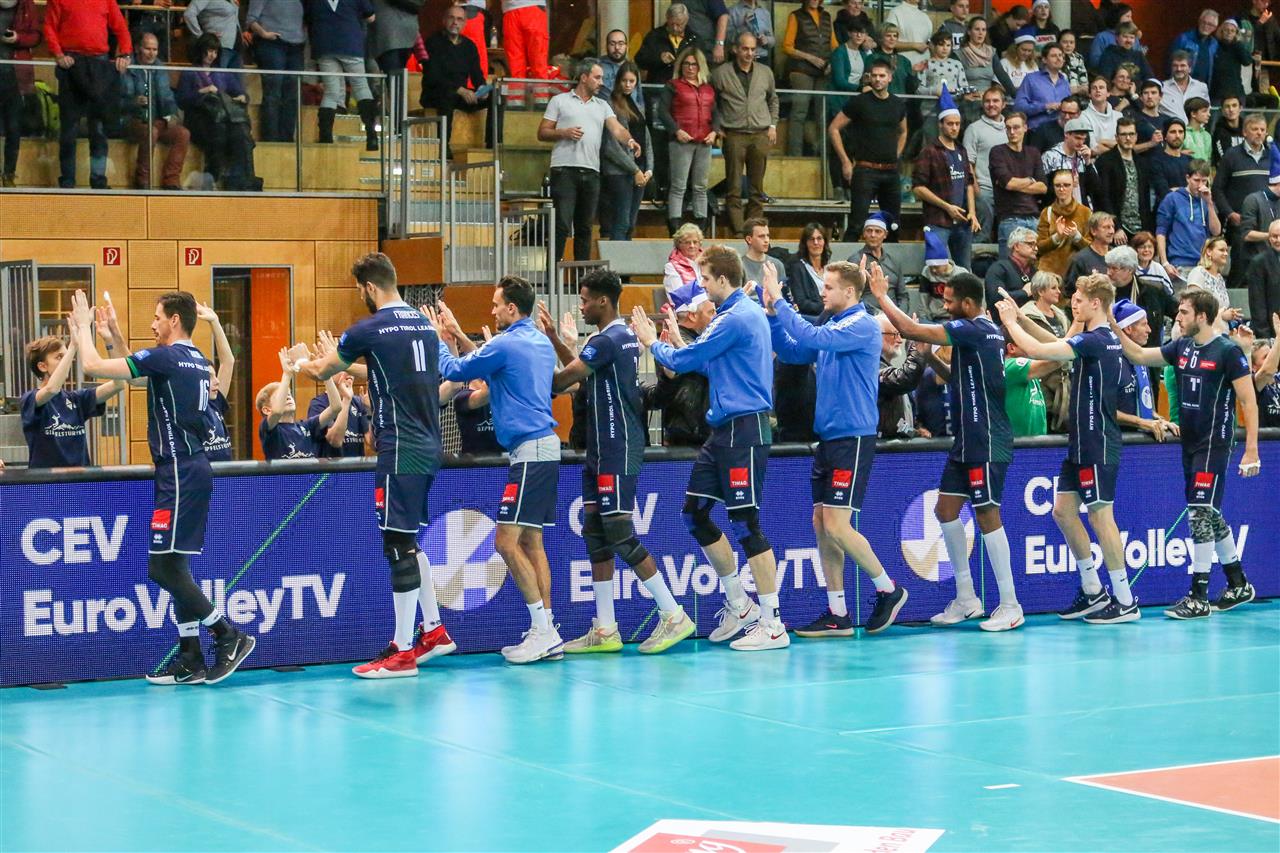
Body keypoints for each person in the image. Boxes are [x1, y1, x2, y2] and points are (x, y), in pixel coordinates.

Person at [71, 289, 254, 685]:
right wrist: (112, 335)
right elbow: (136, 370)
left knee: (160, 568)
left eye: (157, 317)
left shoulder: (167, 358)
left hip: (180, 472)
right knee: (175, 565)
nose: (153, 324)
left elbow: (92, 365)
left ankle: (228, 634)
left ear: (174, 320)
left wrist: (83, 328)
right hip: (187, 470)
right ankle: (190, 656)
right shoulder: (194, 359)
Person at [295, 254, 456, 678]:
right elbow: (388, 368)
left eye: (358, 290)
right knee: (410, 540)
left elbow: (322, 370)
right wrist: (343, 361)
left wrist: (299, 363)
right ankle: (434, 631)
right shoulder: (423, 326)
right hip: (428, 445)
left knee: (397, 545)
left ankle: (401, 651)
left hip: (399, 447)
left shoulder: (368, 328)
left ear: (369, 287)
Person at [630, 245, 789, 651]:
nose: (701, 285)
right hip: (722, 433)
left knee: (746, 525)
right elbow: (706, 362)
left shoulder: (736, 317)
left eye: (704, 278)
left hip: (744, 430)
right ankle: (740, 606)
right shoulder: (733, 315)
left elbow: (689, 360)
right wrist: (676, 340)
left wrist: (652, 343)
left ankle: (773, 624)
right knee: (695, 514)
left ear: (722, 278)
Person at [539, 272, 695, 654]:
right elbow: (583, 376)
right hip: (599, 450)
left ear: (604, 301)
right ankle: (606, 629)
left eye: (585, 300)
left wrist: (528, 357)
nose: (581, 306)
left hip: (617, 449)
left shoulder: (607, 340)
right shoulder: (616, 337)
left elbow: (562, 382)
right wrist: (555, 339)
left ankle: (673, 614)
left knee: (619, 534)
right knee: (595, 533)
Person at [869, 269, 1023, 631]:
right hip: (966, 441)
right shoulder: (980, 334)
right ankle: (967, 598)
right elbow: (957, 378)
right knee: (945, 509)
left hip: (987, 439)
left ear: (968, 304)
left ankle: (1010, 604)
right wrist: (930, 357)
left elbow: (910, 328)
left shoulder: (975, 328)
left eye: (950, 301)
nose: (945, 306)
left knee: (987, 515)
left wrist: (882, 296)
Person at [761, 259, 908, 635]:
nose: (822, 293)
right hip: (829, 438)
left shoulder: (861, 325)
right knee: (822, 524)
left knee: (837, 526)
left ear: (849, 291)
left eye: (828, 287)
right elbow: (794, 352)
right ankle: (837, 612)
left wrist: (780, 300)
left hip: (852, 437)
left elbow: (812, 338)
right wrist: (773, 316)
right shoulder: (833, 326)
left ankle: (888, 589)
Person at [429, 278, 560, 663]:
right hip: (543, 449)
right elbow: (499, 365)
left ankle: (543, 631)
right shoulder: (538, 340)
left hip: (530, 452)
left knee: (505, 543)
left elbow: (454, 368)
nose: (492, 310)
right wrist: (459, 335)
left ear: (512, 308)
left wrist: (439, 339)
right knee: (532, 542)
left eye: (496, 304)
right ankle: (547, 630)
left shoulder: (505, 344)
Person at [996, 274, 1139, 623]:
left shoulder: (1096, 340)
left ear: (1096, 303)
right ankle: (1093, 590)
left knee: (1101, 516)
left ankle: (1125, 600)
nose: (1073, 302)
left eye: (1079, 298)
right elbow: (1057, 341)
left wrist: (1010, 324)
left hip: (1097, 441)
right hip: (1080, 443)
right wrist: (1022, 316)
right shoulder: (1095, 339)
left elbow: (1041, 351)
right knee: (1062, 511)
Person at [1112, 288, 1261, 617]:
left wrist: (1252, 450)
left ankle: (1199, 596)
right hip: (1190, 443)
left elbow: (1248, 401)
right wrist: (1110, 321)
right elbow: (1138, 354)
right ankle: (1238, 583)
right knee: (1208, 511)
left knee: (1198, 512)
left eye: (1183, 312)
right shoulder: (1181, 346)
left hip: (1214, 442)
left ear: (1202, 316)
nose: (1177, 317)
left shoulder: (1228, 352)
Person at [539, 59, 641, 263]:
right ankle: (552, 272)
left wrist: (630, 140)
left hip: (592, 171)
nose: (601, 82)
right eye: (597, 77)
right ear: (584, 78)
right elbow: (542, 132)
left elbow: (617, 129)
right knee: (562, 224)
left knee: (585, 227)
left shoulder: (602, 105)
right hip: (564, 170)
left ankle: (582, 275)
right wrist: (563, 132)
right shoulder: (560, 101)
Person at [44, 0, 131, 189]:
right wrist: (58, 54)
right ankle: (68, 181)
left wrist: (125, 53)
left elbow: (121, 26)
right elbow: (49, 27)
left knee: (98, 127)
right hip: (71, 62)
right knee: (69, 128)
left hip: (99, 63)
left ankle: (98, 181)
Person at [21, 323, 125, 468]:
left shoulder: (77, 399)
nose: (67, 361)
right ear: (42, 366)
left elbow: (118, 384)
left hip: (79, 479)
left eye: (67, 356)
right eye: (59, 357)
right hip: (46, 481)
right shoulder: (30, 399)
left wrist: (109, 342)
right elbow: (51, 389)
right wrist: (72, 347)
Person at [829, 59, 907, 242]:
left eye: (882, 76)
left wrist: (896, 154)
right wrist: (845, 161)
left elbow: (904, 131)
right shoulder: (859, 102)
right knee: (857, 224)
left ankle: (889, 261)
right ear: (869, 78)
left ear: (890, 78)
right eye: (874, 76)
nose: (878, 79)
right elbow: (833, 128)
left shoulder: (898, 104)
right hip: (865, 170)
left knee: (893, 225)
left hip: (890, 171)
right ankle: (847, 260)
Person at [710, 33, 779, 236]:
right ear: (735, 49)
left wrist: (773, 125)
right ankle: (739, 230)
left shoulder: (765, 72)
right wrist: (716, 126)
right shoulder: (720, 73)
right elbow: (710, 102)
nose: (749, 53)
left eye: (752, 49)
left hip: (760, 133)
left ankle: (755, 231)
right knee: (734, 187)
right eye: (745, 49)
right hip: (734, 134)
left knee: (757, 188)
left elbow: (773, 99)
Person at [176, 35, 259, 192]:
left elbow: (242, 93)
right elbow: (182, 100)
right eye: (208, 51)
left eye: (214, 52)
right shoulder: (190, 72)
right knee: (218, 132)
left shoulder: (222, 73)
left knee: (241, 133)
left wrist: (242, 97)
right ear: (200, 51)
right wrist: (202, 91)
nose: (211, 55)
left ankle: (242, 179)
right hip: (198, 118)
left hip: (221, 118)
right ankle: (212, 177)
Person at [912, 86, 979, 270]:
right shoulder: (929, 152)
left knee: (964, 270)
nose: (954, 127)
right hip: (938, 220)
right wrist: (947, 207)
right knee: (936, 269)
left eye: (957, 124)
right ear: (940, 124)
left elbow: (969, 183)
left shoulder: (962, 150)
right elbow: (918, 188)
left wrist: (972, 212)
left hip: (963, 221)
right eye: (950, 124)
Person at [120, 32, 190, 191]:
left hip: (156, 120)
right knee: (151, 132)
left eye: (155, 49)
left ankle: (171, 180)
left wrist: (171, 115)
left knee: (183, 133)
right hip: (132, 119)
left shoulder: (160, 67)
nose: (152, 53)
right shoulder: (127, 66)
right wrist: (134, 102)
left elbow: (167, 96)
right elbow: (116, 102)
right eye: (148, 49)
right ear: (138, 48)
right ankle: (142, 180)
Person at [305, 0, 378, 150]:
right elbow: (371, 17)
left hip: (324, 44)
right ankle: (371, 135)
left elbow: (307, 17)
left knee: (331, 92)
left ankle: (325, 137)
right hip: (350, 43)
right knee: (361, 86)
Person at [646, 285, 714, 447]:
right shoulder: (673, 344)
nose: (716, 317)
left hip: (695, 433)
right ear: (692, 315)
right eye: (711, 312)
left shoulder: (699, 340)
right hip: (688, 437)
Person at [660, 46, 716, 235]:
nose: (690, 68)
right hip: (681, 141)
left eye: (694, 64)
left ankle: (701, 228)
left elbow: (716, 113)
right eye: (686, 64)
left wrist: (714, 132)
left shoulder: (708, 88)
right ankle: (674, 228)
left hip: (704, 141)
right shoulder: (673, 85)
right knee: (679, 186)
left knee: (701, 186)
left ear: (700, 66)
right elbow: (662, 112)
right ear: (680, 65)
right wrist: (676, 131)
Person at [420, 4, 491, 153]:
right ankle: (443, 149)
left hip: (461, 95)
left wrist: (482, 88)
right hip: (435, 93)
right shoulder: (432, 42)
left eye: (459, 19)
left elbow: (477, 75)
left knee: (496, 98)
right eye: (451, 18)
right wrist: (459, 90)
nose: (455, 22)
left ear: (465, 23)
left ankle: (492, 145)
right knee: (448, 95)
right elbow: (433, 75)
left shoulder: (469, 46)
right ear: (444, 20)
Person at [1214, 114, 1273, 281]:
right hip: (1241, 224)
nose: (1259, 133)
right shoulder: (1232, 155)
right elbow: (1217, 189)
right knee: (1239, 272)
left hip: (1268, 225)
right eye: (1255, 129)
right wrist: (1229, 213)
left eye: (1262, 130)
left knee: (1268, 273)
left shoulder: (1273, 157)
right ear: (1244, 132)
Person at [1111, 298, 1179, 441]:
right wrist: (1141, 422)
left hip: (1137, 442)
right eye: (1144, 324)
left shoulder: (1140, 361)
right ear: (1128, 329)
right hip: (1114, 441)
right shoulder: (1110, 361)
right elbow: (1100, 409)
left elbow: (1142, 406)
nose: (1149, 330)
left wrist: (1159, 420)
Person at [258, 352, 345, 460]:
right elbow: (276, 412)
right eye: (283, 395)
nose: (288, 397)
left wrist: (326, 375)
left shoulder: (307, 426)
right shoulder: (270, 430)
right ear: (267, 410)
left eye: (289, 394)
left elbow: (336, 407)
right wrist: (287, 375)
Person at [600, 63, 653, 241]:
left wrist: (649, 168)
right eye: (624, 81)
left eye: (632, 81)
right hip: (619, 171)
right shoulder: (611, 104)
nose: (628, 85)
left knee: (630, 223)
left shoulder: (637, 104)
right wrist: (634, 169)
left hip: (640, 168)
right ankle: (615, 259)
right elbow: (610, 145)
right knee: (621, 221)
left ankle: (624, 259)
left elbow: (646, 137)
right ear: (618, 81)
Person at [782, 0, 835, 158]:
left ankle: (824, 154)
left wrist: (832, 63)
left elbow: (834, 45)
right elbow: (787, 47)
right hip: (801, 69)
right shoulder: (795, 16)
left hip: (823, 70)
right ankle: (795, 156)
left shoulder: (826, 16)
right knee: (799, 112)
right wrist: (810, 58)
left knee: (822, 113)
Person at [990, 110, 1047, 256]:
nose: (1012, 132)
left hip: (1034, 217)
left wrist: (1014, 185)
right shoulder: (998, 152)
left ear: (1025, 128)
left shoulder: (1033, 153)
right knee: (1010, 264)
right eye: (1008, 128)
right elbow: (1009, 183)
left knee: (1035, 263)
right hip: (1010, 218)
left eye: (1016, 127)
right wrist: (1030, 180)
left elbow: (1043, 187)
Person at [247, 0, 305, 143]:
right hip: (272, 43)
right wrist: (264, 34)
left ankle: (287, 139)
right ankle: (271, 139)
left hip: (296, 45)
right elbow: (251, 19)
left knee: (292, 93)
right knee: (273, 91)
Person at [1156, 159, 1220, 279]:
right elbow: (1161, 232)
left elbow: (1216, 231)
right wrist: (1164, 263)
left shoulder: (1206, 201)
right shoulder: (1172, 198)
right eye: (1196, 180)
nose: (1200, 185)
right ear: (1187, 178)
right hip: (1179, 263)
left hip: (1203, 263)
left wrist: (1209, 203)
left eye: (1204, 181)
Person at [1107, 243, 1177, 349]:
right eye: (1108, 267)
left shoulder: (1153, 292)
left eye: (1114, 268)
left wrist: (1172, 346)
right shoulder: (1103, 293)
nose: (1109, 272)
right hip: (1113, 352)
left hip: (1148, 353)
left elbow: (1178, 313)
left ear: (1129, 269)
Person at [1095, 117, 1153, 242]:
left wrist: (1147, 229)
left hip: (1140, 227)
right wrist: (1116, 227)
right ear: (1116, 137)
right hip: (1117, 229)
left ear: (1136, 137)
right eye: (1123, 134)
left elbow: (1145, 198)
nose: (1128, 138)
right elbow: (1103, 197)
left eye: (1131, 134)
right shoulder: (1105, 161)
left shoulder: (1142, 163)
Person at [0, 0, 38, 188]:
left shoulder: (27, 5)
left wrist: (17, 38)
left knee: (13, 126)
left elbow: (36, 36)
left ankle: (9, 174)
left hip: (15, 74)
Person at [963, 87, 1008, 242]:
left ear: (1004, 104)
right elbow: (968, 163)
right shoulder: (974, 129)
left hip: (1007, 191)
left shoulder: (1011, 129)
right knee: (981, 237)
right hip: (984, 190)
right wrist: (977, 191)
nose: (991, 104)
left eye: (995, 101)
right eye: (987, 101)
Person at [876, 314, 926, 437]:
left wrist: (915, 431)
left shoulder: (887, 369)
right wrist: (915, 343)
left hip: (894, 444)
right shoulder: (870, 368)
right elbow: (905, 379)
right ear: (876, 335)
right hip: (880, 446)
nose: (899, 340)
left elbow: (897, 422)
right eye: (894, 334)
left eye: (900, 334)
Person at [196, 302, 235, 461]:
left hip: (225, 473)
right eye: (209, 377)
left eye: (215, 376)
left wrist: (214, 322)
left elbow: (228, 361)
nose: (217, 381)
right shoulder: (187, 408)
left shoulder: (215, 403)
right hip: (202, 473)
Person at [1037, 168, 1091, 277]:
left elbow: (1092, 248)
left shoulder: (1085, 212)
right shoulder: (1047, 212)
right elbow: (1039, 247)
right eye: (1058, 185)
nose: (1062, 189)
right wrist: (1057, 236)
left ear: (1074, 184)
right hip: (1049, 272)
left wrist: (1077, 237)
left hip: (1075, 272)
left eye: (1066, 185)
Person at [1002, 331, 1056, 437]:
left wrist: (1078, 324)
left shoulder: (1027, 370)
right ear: (1011, 348)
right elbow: (1057, 360)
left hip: (1036, 443)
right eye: (1025, 342)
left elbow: (1063, 347)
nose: (1031, 344)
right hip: (1018, 444)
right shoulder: (1010, 366)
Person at [851, 212, 906, 312]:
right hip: (868, 316)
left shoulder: (894, 262)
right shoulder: (855, 261)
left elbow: (903, 296)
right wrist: (877, 314)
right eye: (869, 231)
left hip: (895, 316)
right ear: (864, 233)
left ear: (885, 235)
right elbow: (852, 296)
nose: (873, 235)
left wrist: (900, 315)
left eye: (878, 231)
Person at [1040, 116, 1100, 208]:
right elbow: (1043, 188)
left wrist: (1088, 162)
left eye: (1083, 139)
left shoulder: (1083, 156)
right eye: (1077, 138)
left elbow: (1095, 187)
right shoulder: (1050, 156)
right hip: (1057, 209)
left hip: (1080, 208)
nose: (1081, 143)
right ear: (1066, 135)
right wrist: (1067, 184)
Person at [501, 0, 551, 107]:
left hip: (521, 9)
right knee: (532, 59)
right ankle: (536, 100)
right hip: (519, 9)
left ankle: (536, 100)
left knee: (535, 59)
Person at [1014, 42, 1071, 134]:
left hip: (1061, 132)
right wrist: (1045, 106)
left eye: (1060, 55)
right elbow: (1018, 107)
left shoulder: (1065, 82)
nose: (1059, 58)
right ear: (1044, 60)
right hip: (1036, 131)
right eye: (1053, 56)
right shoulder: (1031, 79)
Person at [637, 4, 699, 88]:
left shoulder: (694, 39)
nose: (675, 28)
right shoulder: (654, 36)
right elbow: (640, 60)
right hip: (660, 86)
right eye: (672, 24)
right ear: (667, 18)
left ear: (686, 20)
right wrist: (659, 58)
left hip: (687, 87)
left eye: (679, 25)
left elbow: (702, 64)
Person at [308, 374, 370, 457]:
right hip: (331, 464)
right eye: (343, 368)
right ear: (330, 373)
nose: (349, 372)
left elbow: (372, 442)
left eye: (351, 369)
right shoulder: (318, 404)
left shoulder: (358, 402)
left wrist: (371, 410)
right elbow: (335, 441)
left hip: (356, 464)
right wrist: (346, 399)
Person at [1063, 211, 1115, 296]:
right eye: (1106, 227)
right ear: (1093, 231)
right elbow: (1069, 292)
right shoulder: (1080, 259)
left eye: (1113, 227)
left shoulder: (1117, 256)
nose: (1112, 231)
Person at [984, 225, 1039, 307]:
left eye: (1036, 244)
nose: (1036, 248)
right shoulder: (998, 268)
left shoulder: (1035, 271)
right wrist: (1024, 293)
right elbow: (996, 298)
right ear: (1016, 246)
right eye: (1030, 244)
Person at [784, 222, 829, 317]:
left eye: (819, 238)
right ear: (805, 243)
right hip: (812, 317)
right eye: (811, 239)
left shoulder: (829, 268)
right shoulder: (797, 268)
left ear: (824, 241)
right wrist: (827, 307)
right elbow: (801, 303)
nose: (816, 243)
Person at [184, 0, 241, 68]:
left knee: (236, 74)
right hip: (219, 46)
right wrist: (202, 36)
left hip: (236, 46)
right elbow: (189, 14)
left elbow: (233, 17)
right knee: (217, 74)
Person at [1245, 219, 1280, 330]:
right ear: (1269, 238)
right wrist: (1264, 333)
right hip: (1271, 329)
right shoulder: (1258, 262)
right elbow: (1257, 302)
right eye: (1274, 236)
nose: (1278, 240)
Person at [1148, 118, 1194, 200]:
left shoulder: (1190, 160)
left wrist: (1176, 190)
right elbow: (1163, 192)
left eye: (1181, 132)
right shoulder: (1156, 161)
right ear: (1165, 136)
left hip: (1189, 206)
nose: (1177, 136)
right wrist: (1188, 190)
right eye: (1173, 132)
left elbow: (1198, 189)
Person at [1171, 8, 1220, 83]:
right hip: (1182, 83)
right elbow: (1172, 61)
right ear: (1199, 21)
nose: (1205, 26)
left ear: (1215, 28)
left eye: (1210, 24)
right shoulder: (1184, 38)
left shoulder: (1214, 44)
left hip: (1203, 86)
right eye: (1203, 22)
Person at [1159, 51, 1210, 123]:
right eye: (1175, 66)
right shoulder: (1162, 88)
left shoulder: (1201, 87)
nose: (1179, 69)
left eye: (1182, 66)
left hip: (1196, 129)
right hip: (1171, 129)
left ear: (1190, 68)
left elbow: (1207, 110)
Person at [1210, 17, 1252, 102]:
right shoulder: (1214, 45)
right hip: (1217, 92)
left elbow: (1247, 61)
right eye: (1226, 30)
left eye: (1232, 31)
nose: (1229, 32)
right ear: (1221, 31)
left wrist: (1238, 43)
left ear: (1236, 33)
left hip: (1236, 92)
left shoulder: (1237, 47)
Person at [1185, 235, 1233, 310]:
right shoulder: (1198, 272)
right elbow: (1194, 305)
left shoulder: (1220, 278)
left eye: (1226, 250)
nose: (1226, 254)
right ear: (1209, 252)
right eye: (1221, 250)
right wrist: (1222, 315)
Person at [869, 25, 918, 97]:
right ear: (881, 38)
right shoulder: (872, 58)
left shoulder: (904, 60)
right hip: (879, 99)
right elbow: (868, 82)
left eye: (895, 36)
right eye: (888, 36)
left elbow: (911, 89)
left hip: (901, 100)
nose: (892, 39)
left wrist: (914, 72)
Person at [741, 217, 787, 290]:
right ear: (749, 239)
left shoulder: (777, 264)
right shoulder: (739, 266)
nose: (766, 240)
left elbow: (783, 293)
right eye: (761, 236)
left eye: (768, 236)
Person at [600, 29, 641, 108]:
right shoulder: (598, 66)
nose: (617, 47)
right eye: (612, 44)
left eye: (621, 44)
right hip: (605, 112)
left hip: (630, 112)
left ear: (626, 46)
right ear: (606, 46)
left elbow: (639, 98)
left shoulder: (633, 68)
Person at [884, 0, 932, 67]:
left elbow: (928, 41)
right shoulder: (896, 12)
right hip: (904, 64)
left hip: (925, 64)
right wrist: (914, 45)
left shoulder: (924, 16)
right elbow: (887, 42)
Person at [1080, 76, 1120, 156]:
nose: (1098, 90)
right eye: (1094, 88)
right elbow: (1093, 147)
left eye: (1101, 87)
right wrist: (1117, 152)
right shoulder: (1083, 116)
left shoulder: (1118, 116)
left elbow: (1123, 142)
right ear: (1089, 94)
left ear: (1108, 93)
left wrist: (1102, 141)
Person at [664, 223, 705, 294]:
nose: (692, 246)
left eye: (695, 242)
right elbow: (679, 295)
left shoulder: (708, 262)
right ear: (679, 244)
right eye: (687, 242)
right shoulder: (671, 267)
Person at [1131, 79, 1168, 156]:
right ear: (1141, 97)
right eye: (1146, 93)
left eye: (1153, 93)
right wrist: (1151, 143)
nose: (1149, 96)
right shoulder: (1133, 119)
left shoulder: (1167, 120)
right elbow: (1126, 149)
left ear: (1160, 96)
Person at [1210, 94, 1244, 166]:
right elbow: (1223, 158)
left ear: (1240, 108)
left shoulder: (1247, 129)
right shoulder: (1219, 132)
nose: (1231, 109)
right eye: (1227, 106)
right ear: (1222, 110)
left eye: (1234, 105)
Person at [1182, 97, 1212, 162]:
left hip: (1205, 168)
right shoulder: (1182, 133)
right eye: (1204, 111)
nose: (1209, 114)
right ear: (1193, 114)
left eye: (1208, 111)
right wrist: (1180, 153)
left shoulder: (1207, 135)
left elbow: (1209, 158)